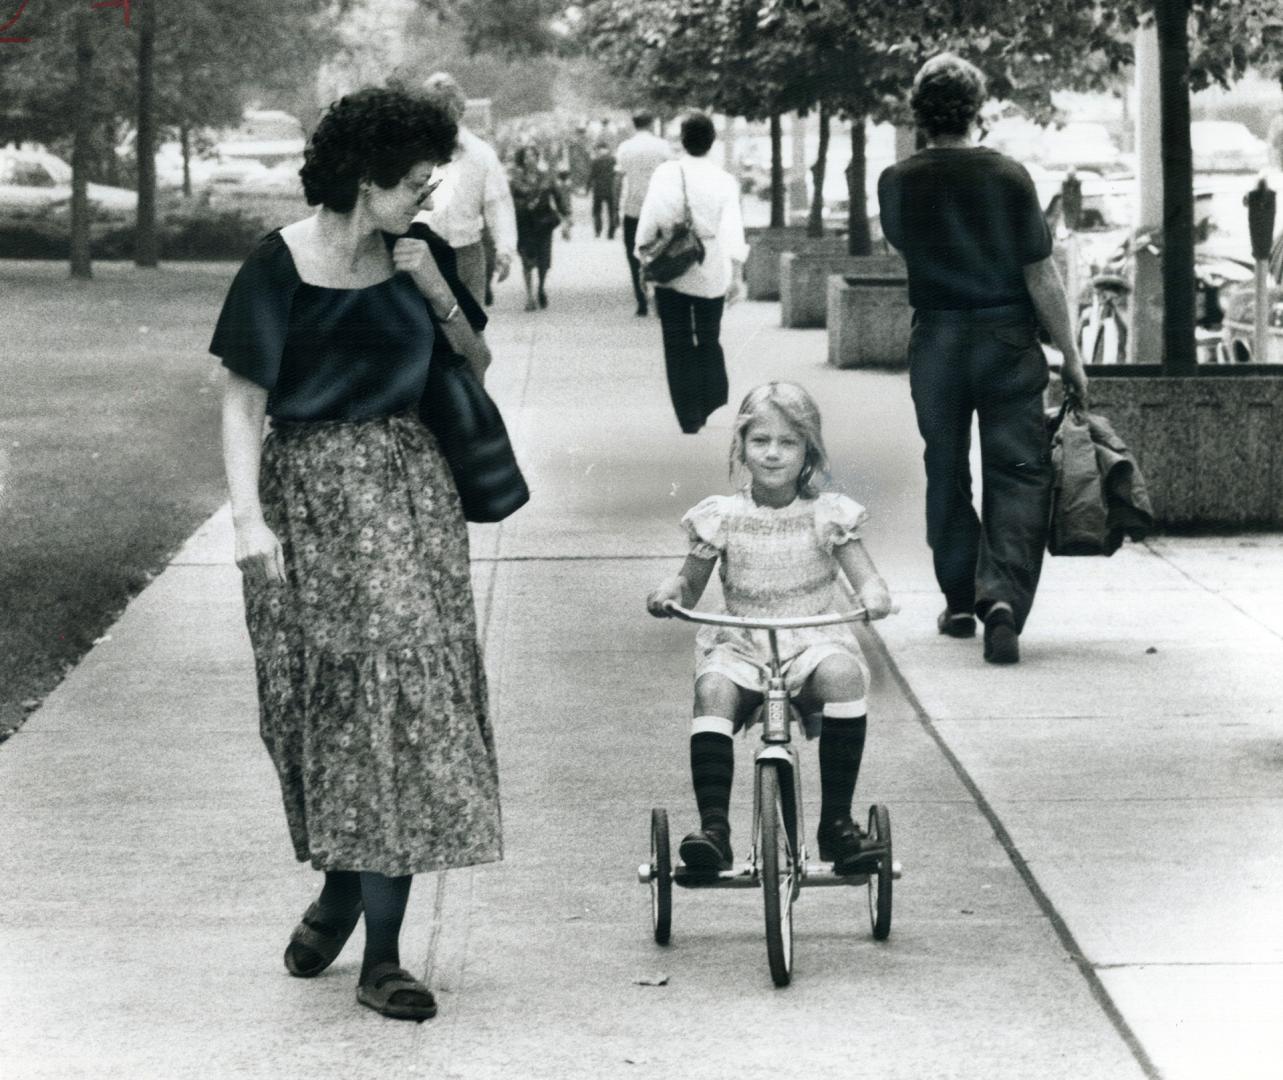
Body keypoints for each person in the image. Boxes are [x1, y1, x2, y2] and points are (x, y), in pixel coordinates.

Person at [210, 87, 503, 1023]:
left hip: (408, 501)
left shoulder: (422, 255)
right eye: (412, 183)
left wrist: (428, 285)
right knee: (318, 709)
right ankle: (341, 888)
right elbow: (241, 400)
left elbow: (475, 365)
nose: (424, 197)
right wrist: (248, 520)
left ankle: (383, 954)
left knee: (401, 710)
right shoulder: (278, 264)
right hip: (305, 506)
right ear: (362, 177)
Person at [876, 54, 1089, 665]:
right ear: (978, 110)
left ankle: (960, 598)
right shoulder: (1009, 176)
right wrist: (1069, 353)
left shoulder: (896, 181)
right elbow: (1040, 274)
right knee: (1018, 470)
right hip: (1006, 339)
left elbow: (905, 247)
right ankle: (1003, 602)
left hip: (938, 341)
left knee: (945, 468)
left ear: (918, 113)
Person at [646, 382, 893, 873]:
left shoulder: (828, 514)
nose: (774, 454)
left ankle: (837, 824)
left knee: (844, 675)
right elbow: (689, 585)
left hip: (812, 640)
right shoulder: (723, 517)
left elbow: (866, 577)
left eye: (788, 443)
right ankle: (714, 828)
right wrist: (670, 593)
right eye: (761, 441)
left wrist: (873, 595)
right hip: (742, 644)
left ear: (809, 451)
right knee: (713, 688)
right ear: (740, 446)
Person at [634, 112, 748, 434]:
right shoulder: (724, 180)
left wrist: (643, 259)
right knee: (709, 337)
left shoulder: (666, 174)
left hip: (673, 265)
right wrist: (737, 274)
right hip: (710, 265)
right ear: (712, 141)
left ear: (682, 140)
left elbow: (650, 219)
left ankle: (689, 415)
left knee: (676, 341)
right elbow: (733, 230)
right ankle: (711, 399)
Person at [417, 73, 517, 331]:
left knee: (470, 333)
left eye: (446, 113)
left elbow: (498, 204)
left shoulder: (480, 154)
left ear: (459, 112)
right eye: (434, 113)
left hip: (467, 255)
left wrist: (505, 249)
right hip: (420, 253)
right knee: (426, 335)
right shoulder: (411, 151)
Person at [615, 112, 673, 316]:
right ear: (651, 123)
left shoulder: (625, 148)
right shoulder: (663, 147)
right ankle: (659, 297)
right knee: (660, 254)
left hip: (633, 210)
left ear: (634, 124)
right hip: (659, 210)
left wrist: (615, 209)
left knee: (634, 255)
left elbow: (618, 179)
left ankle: (641, 301)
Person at [510, 145, 571, 311]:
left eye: (532, 156)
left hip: (543, 225)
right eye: (526, 156)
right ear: (521, 159)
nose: (529, 159)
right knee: (526, 261)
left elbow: (559, 199)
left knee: (543, 261)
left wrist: (567, 219)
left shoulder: (546, 177)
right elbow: (507, 202)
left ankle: (541, 288)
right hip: (524, 225)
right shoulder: (515, 179)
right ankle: (529, 296)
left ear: (537, 158)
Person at [588, 142, 618, 239]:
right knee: (611, 211)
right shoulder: (613, 160)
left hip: (598, 190)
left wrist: (587, 188)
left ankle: (598, 230)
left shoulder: (596, 161)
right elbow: (617, 174)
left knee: (597, 211)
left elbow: (591, 175)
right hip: (611, 189)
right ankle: (611, 232)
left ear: (599, 150)